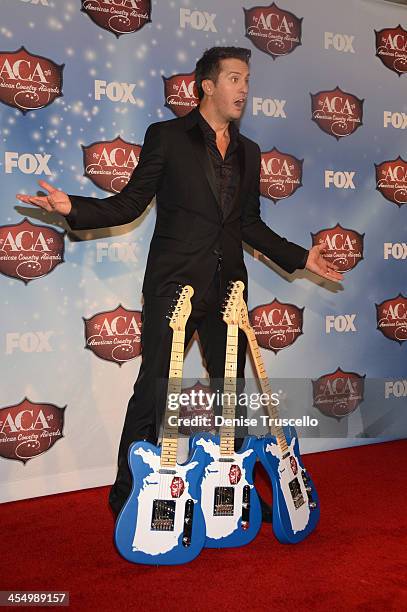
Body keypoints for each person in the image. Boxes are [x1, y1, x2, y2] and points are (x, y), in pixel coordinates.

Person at [17, 47, 342, 519]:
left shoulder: (249, 152)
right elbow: (129, 204)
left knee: (230, 392)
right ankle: (128, 497)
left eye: (248, 80)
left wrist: (302, 257)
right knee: (154, 389)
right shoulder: (167, 137)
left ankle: (235, 496)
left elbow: (249, 224)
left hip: (229, 289)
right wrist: (76, 208)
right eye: (235, 79)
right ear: (207, 85)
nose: (244, 89)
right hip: (174, 286)